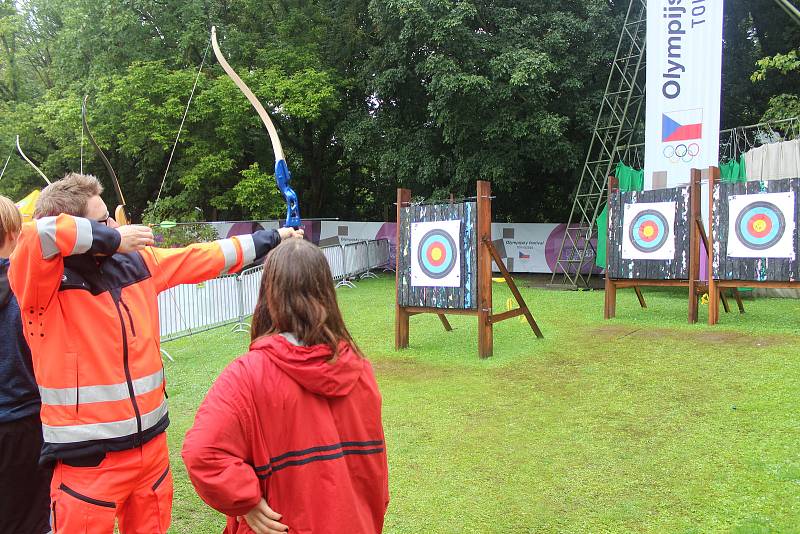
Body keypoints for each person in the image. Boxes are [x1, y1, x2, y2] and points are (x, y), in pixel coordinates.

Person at [8, 173, 301, 533]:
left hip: (151, 456)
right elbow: (39, 233)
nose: (114, 225)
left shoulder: (138, 264)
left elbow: (204, 257)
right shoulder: (42, 283)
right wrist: (114, 239)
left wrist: (273, 238)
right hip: (87, 467)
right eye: (103, 222)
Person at [182, 238, 389, 534]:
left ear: (269, 293)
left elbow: (201, 453)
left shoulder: (247, 376)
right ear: (326, 292)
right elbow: (376, 477)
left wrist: (246, 501)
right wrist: (246, 499)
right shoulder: (360, 369)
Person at [0, 195, 52, 533]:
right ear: (12, 233)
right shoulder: (26, 284)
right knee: (32, 521)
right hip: (25, 422)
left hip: (21, 420)